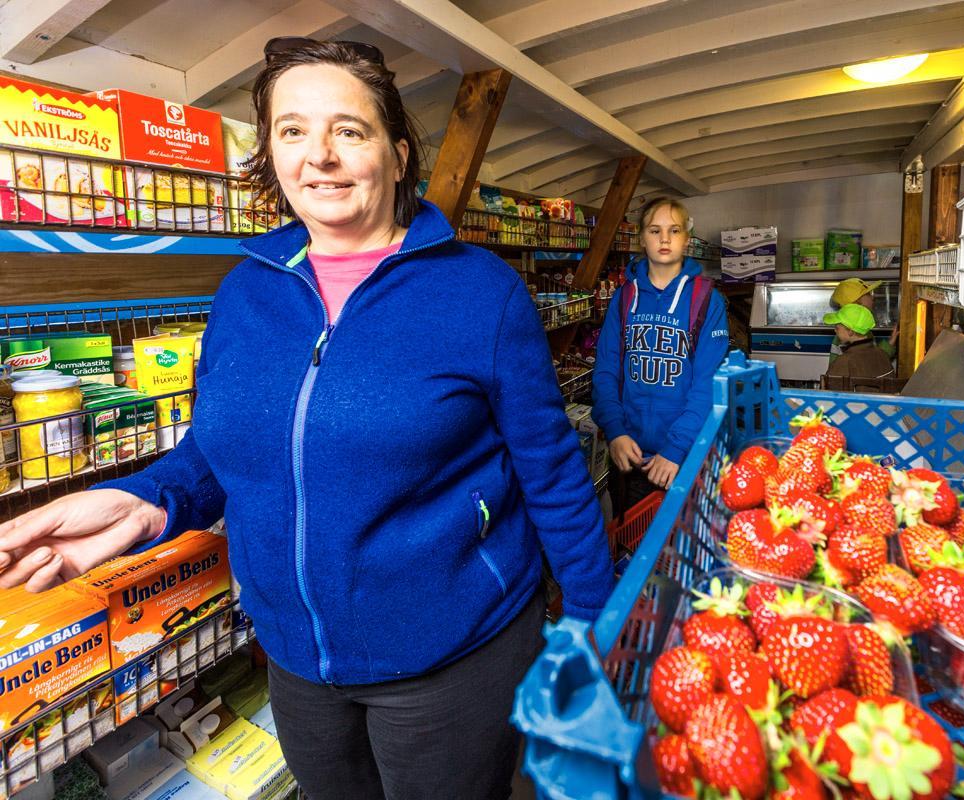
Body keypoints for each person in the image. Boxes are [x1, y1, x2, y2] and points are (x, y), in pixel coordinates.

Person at [0, 38, 614, 800]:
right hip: (296, 661)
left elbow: (553, 473)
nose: (318, 155)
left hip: (452, 659)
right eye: (292, 130)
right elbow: (221, 450)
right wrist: (146, 498)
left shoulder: (479, 294)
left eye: (347, 131)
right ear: (272, 155)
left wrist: (593, 625)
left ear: (395, 153)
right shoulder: (243, 296)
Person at [592, 198, 729, 520]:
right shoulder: (624, 297)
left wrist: (676, 448)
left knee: (679, 550)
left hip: (683, 456)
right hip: (629, 454)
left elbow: (707, 384)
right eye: (655, 230)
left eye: (674, 230)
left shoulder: (707, 299)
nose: (665, 239)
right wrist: (615, 432)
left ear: (686, 239)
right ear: (641, 237)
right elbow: (606, 371)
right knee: (631, 545)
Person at [829, 277, 898, 361]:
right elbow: (870, 362)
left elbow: (871, 358)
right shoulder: (847, 334)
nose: (873, 297)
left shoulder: (856, 328)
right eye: (868, 294)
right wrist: (888, 347)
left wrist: (890, 343)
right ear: (857, 301)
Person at [824, 304, 896, 380]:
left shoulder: (843, 362)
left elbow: (826, 389)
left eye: (837, 328)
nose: (835, 330)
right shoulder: (882, 355)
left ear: (850, 331)